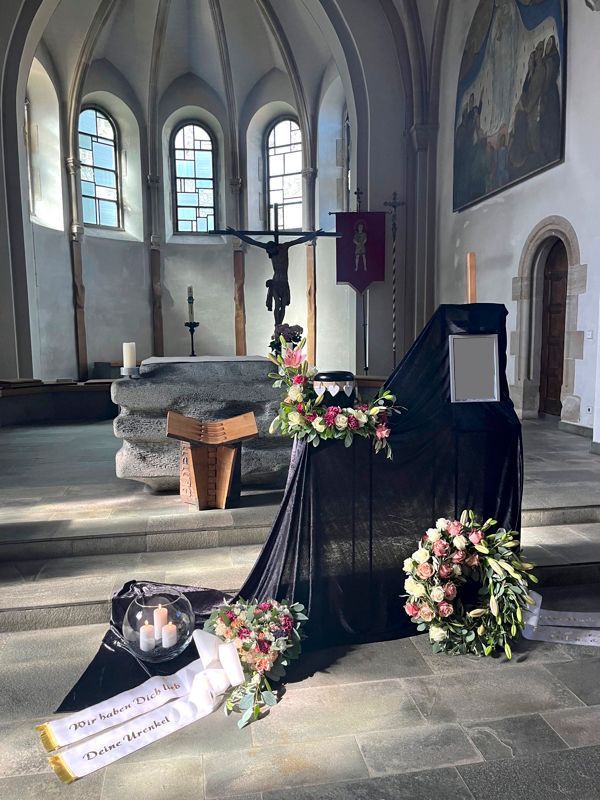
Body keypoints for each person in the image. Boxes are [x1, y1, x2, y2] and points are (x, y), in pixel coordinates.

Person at [227, 227, 322, 325]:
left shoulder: (284, 247)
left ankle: (279, 324)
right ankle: (277, 325)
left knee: (283, 305)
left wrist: (313, 234)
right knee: (277, 304)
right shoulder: (269, 248)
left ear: (275, 248)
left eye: (272, 252)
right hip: (276, 282)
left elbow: (299, 240)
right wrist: (236, 233)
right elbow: (252, 241)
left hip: (284, 282)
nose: (272, 255)